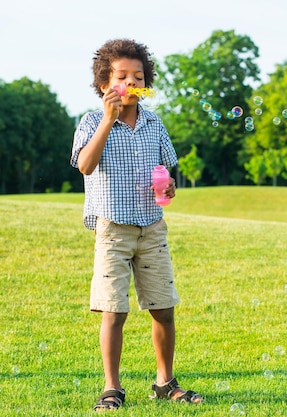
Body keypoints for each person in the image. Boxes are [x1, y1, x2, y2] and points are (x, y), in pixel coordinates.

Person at [70, 39, 203, 411]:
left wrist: (169, 185)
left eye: (138, 76)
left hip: (151, 227)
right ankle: (112, 388)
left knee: (163, 308)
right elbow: (85, 165)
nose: (131, 82)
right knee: (114, 310)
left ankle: (165, 382)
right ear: (103, 84)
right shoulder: (92, 121)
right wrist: (108, 121)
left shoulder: (153, 122)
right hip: (112, 228)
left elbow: (165, 170)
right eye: (122, 76)